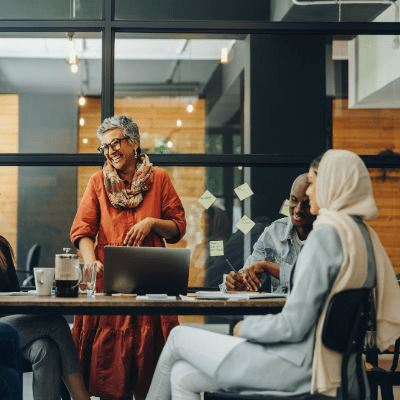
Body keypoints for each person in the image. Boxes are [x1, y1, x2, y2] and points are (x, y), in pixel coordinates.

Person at [145, 149, 400, 399]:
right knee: (182, 375)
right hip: (335, 368)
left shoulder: (325, 236)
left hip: (297, 365)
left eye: (312, 184)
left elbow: (293, 325)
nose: (309, 192)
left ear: (333, 183)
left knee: (178, 337)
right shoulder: (362, 236)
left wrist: (243, 328)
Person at [70, 115, 186, 399]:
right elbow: (82, 231)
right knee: (111, 375)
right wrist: (89, 261)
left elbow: (177, 228)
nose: (110, 151)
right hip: (109, 286)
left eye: (115, 143)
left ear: (133, 143)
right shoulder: (98, 182)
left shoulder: (159, 179)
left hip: (153, 286)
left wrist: (152, 223)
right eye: (105, 147)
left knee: (153, 373)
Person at [0, 235, 90, 400]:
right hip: (4, 330)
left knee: (46, 349)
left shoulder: (1, 245)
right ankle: (82, 397)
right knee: (55, 322)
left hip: (11, 327)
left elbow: (14, 292)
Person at [225, 173, 314, 293]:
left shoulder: (326, 236)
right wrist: (237, 282)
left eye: (305, 203)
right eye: (294, 200)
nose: (297, 210)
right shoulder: (273, 232)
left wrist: (268, 267)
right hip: (277, 311)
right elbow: (248, 272)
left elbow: (311, 279)